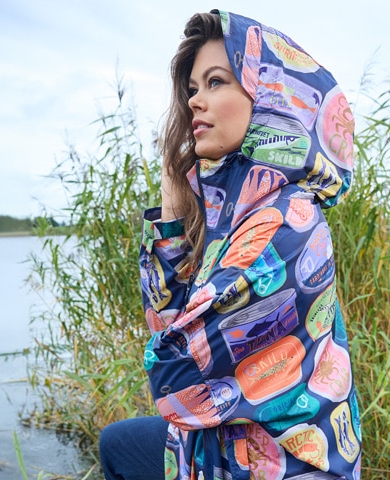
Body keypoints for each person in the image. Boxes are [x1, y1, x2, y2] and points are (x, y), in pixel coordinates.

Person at [99, 9, 361, 480]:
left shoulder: (285, 223)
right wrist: (173, 211)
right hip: (233, 446)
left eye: (216, 81)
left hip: (283, 466)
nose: (196, 100)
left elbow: (175, 382)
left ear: (270, 101)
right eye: (193, 87)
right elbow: (168, 320)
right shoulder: (234, 212)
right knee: (119, 444)